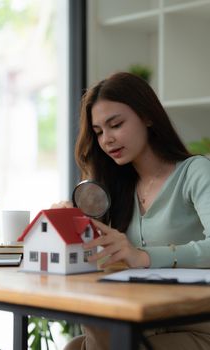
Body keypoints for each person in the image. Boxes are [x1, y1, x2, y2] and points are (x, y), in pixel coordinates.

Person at [52, 72, 210, 350]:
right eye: (99, 132)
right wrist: (68, 226)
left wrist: (143, 257)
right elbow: (100, 257)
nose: (107, 140)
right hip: (141, 320)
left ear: (148, 116)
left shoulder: (195, 172)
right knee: (74, 347)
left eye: (116, 124)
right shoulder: (117, 187)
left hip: (196, 324)